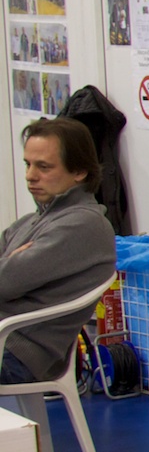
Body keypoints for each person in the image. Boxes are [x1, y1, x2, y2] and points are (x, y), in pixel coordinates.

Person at [0, 118, 116, 382]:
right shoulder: (31, 222)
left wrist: (7, 267)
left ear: (79, 172)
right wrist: (10, 263)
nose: (30, 176)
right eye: (28, 164)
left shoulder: (83, 224)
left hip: (16, 351)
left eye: (43, 167)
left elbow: (4, 283)